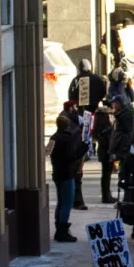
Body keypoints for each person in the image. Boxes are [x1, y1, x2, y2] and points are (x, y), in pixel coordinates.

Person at [49, 102, 88, 242]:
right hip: (67, 173)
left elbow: (48, 153)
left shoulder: (53, 138)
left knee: (60, 201)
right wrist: (83, 148)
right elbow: (72, 156)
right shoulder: (67, 138)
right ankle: (62, 230)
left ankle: (58, 225)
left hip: (57, 173)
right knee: (66, 202)